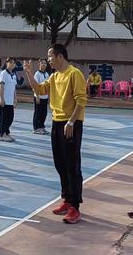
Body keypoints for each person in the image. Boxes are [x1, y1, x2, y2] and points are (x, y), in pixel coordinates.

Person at [23, 44, 87, 225]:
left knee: (72, 164)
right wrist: (28, 72)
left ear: (60, 56)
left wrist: (72, 122)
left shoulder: (74, 74)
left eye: (50, 56)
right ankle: (66, 199)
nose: (48, 59)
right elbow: (39, 90)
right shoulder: (54, 76)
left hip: (71, 124)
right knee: (60, 163)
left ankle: (75, 206)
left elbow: (81, 101)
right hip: (57, 122)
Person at [0, 57, 18, 142]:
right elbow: (1, 86)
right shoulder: (3, 73)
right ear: (6, 63)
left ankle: (7, 132)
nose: (12, 64)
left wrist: (15, 99)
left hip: (10, 100)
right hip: (4, 100)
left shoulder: (13, 75)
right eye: (10, 62)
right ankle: (2, 134)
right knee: (4, 118)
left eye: (14, 63)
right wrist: (2, 99)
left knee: (10, 117)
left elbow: (14, 88)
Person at [33, 58, 50, 134]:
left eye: (45, 63)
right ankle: (36, 128)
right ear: (39, 64)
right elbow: (35, 86)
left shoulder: (47, 74)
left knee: (44, 113)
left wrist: (49, 96)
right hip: (39, 96)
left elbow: (48, 86)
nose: (43, 64)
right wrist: (37, 96)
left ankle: (42, 127)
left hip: (45, 97)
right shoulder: (37, 74)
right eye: (42, 63)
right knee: (38, 112)